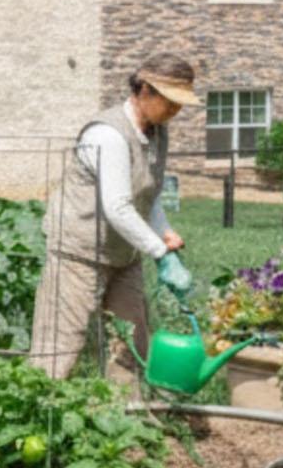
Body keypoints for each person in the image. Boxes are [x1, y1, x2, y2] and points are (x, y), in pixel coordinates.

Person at [30, 53, 199, 380]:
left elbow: (147, 194)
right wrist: (160, 254)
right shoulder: (108, 135)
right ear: (145, 90)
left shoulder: (156, 131)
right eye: (171, 101)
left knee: (132, 342)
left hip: (123, 253)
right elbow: (118, 206)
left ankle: (127, 419)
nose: (176, 111)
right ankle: (37, 417)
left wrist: (164, 233)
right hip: (78, 250)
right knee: (61, 344)